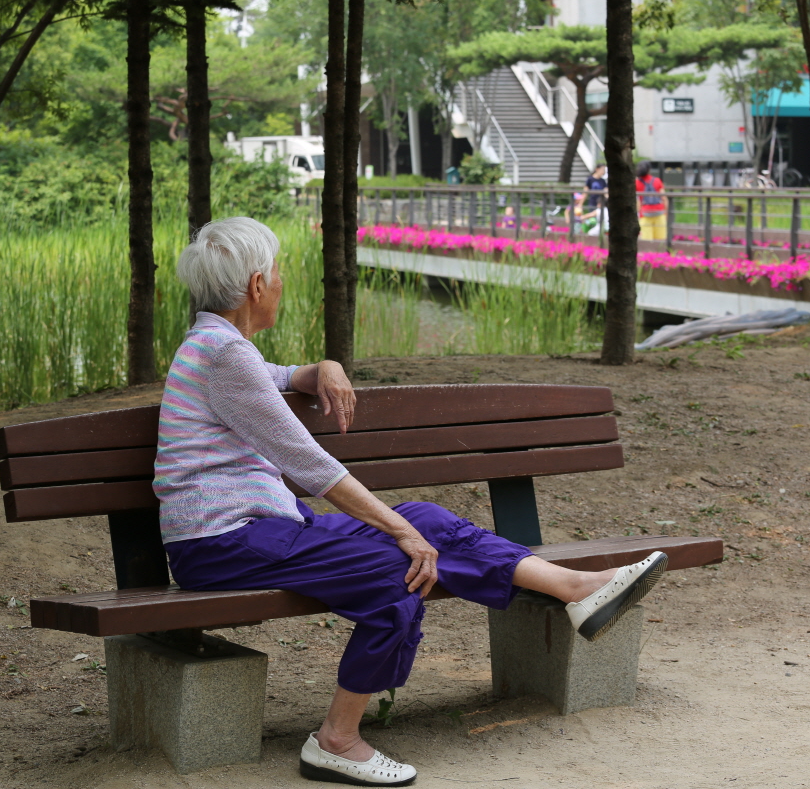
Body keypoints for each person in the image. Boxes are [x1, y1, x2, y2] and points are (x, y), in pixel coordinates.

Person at [155, 217, 668, 787]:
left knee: (425, 520)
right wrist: (396, 530)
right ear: (256, 285)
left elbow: (279, 376)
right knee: (397, 565)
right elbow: (311, 465)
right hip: (223, 542)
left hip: (259, 533)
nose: (280, 282)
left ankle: (576, 588)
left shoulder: (219, 346)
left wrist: (323, 369)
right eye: (276, 273)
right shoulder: (224, 354)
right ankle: (336, 741)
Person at [636, 161, 668, 241]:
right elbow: (664, 198)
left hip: (645, 213)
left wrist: (638, 214)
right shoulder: (657, 180)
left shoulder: (636, 182)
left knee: (647, 242)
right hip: (659, 212)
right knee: (661, 241)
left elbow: (637, 202)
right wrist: (666, 213)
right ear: (649, 170)